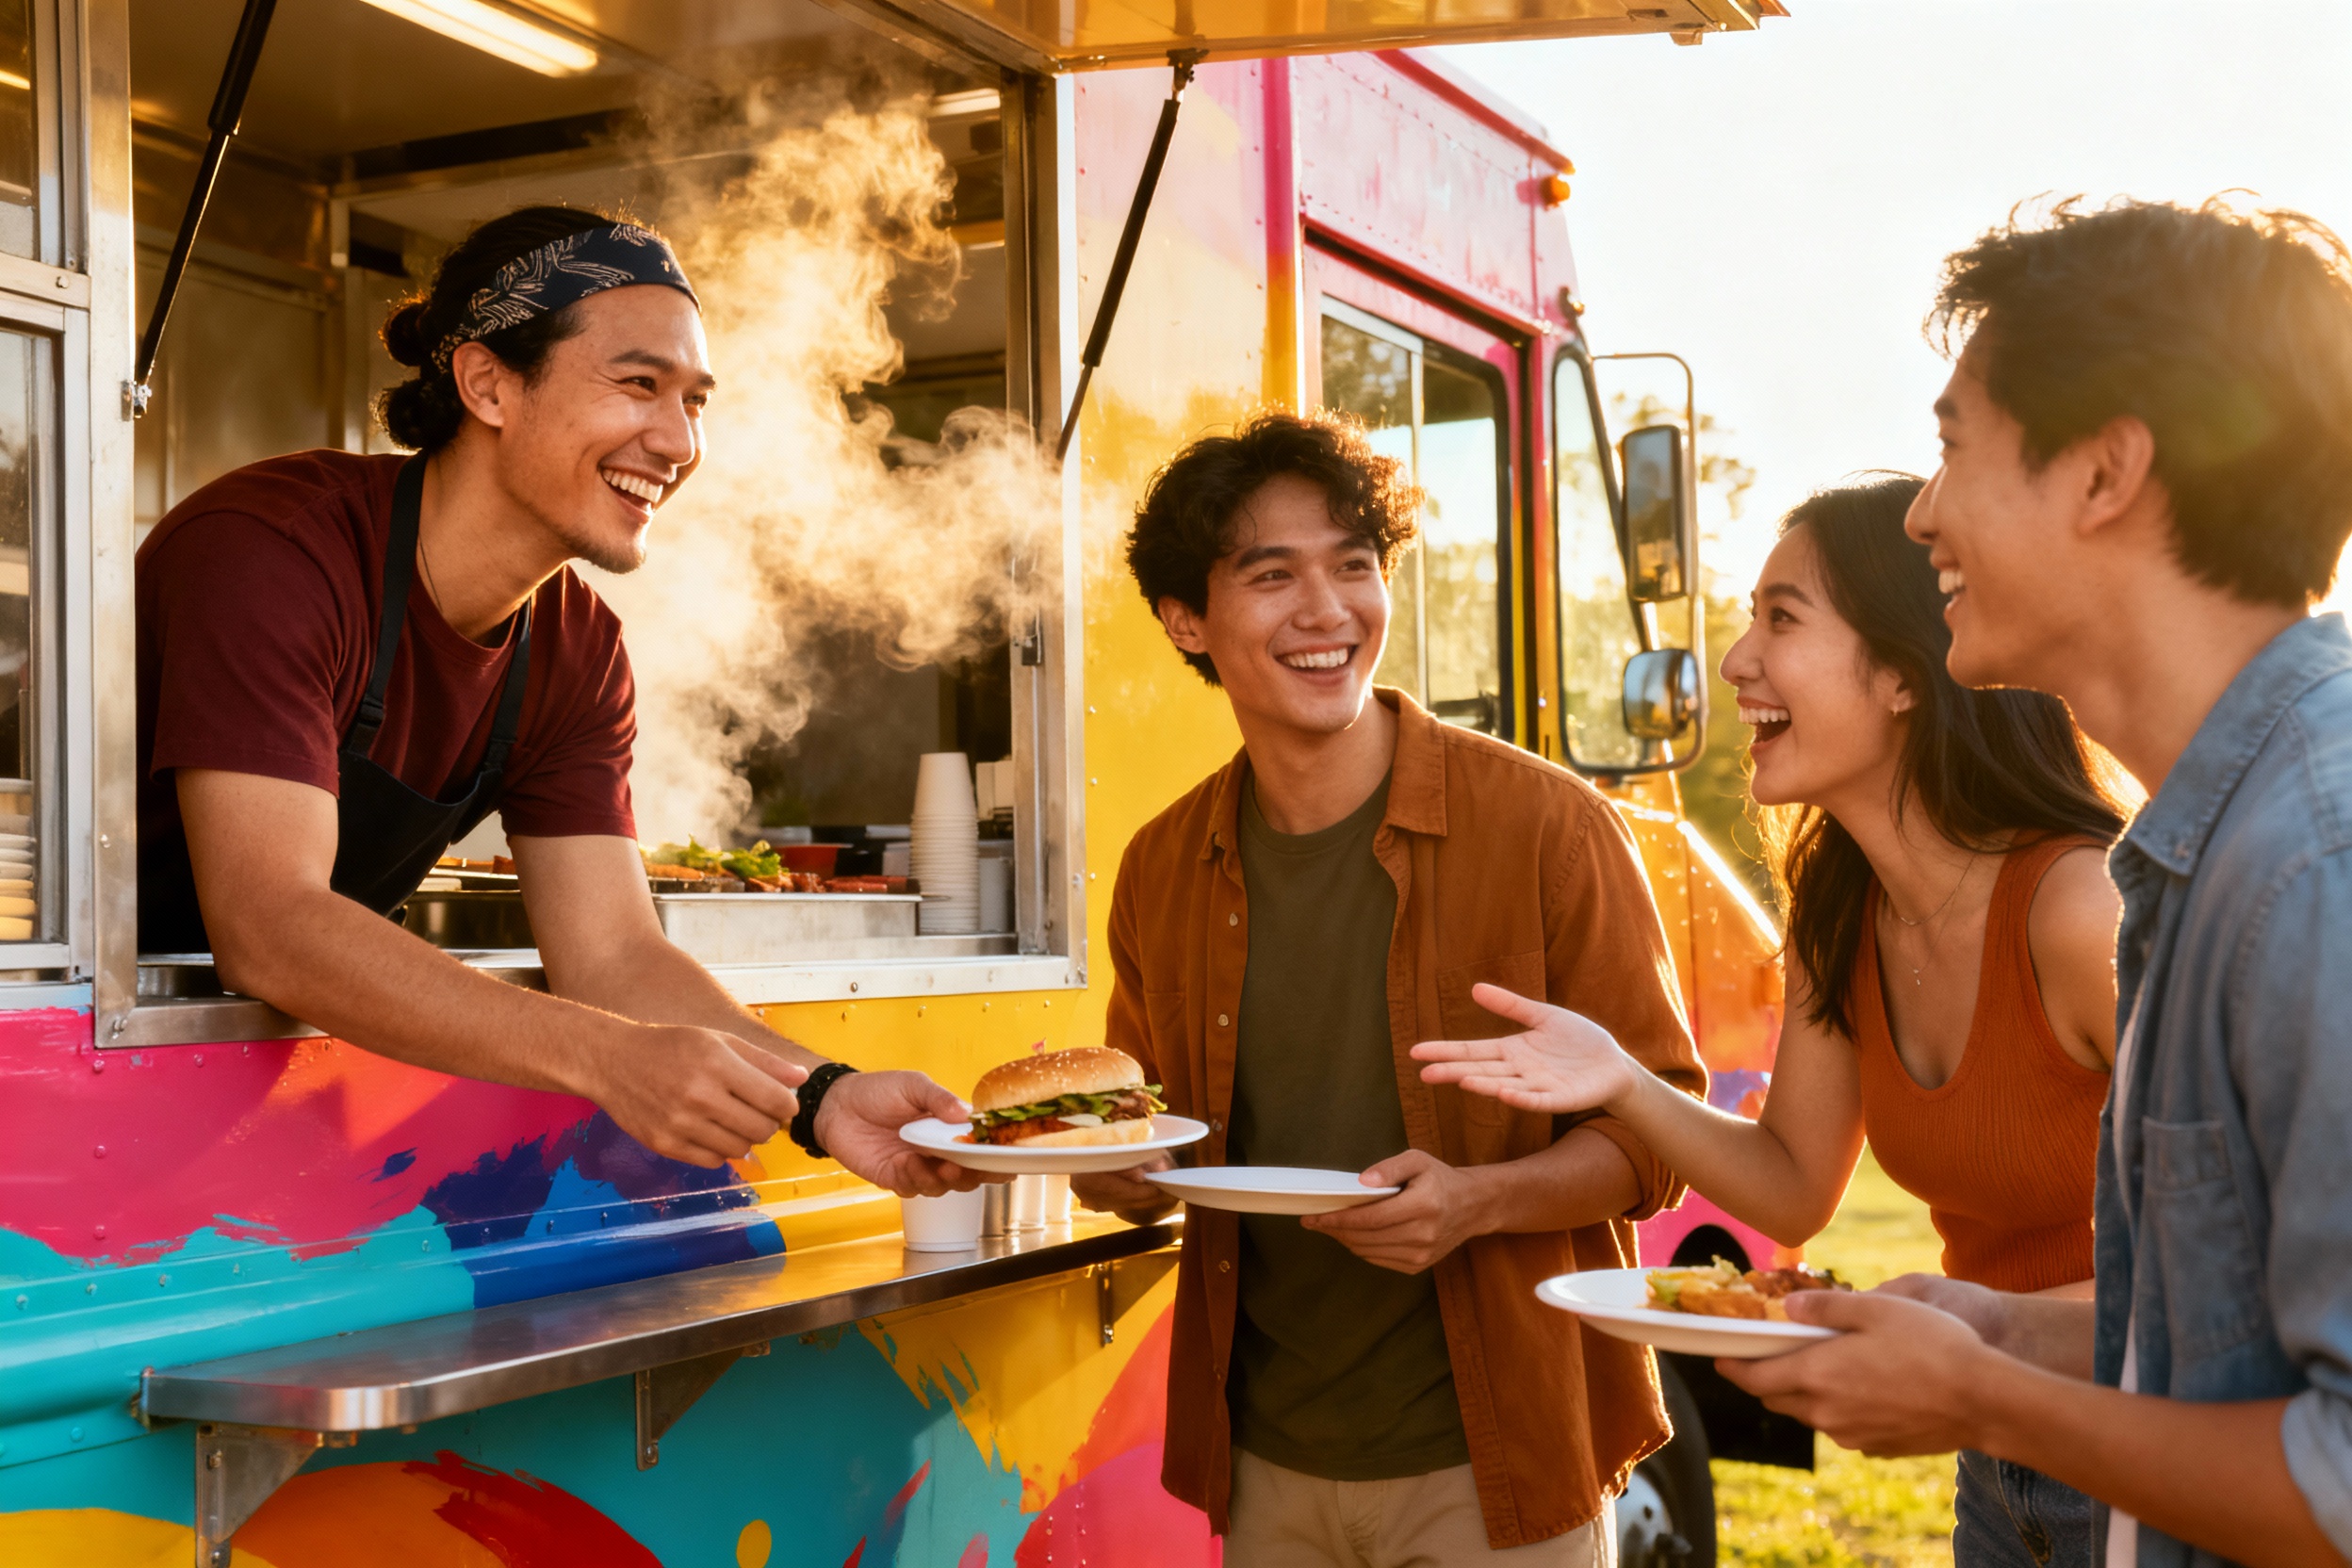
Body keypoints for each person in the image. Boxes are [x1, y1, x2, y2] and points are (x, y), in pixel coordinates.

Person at [1707, 199, 2352, 1568]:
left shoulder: (2314, 871)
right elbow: (2207, 1335)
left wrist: (1983, 1393)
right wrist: (1988, 1325)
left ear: (2106, 472)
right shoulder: (2204, 857)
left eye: (1952, 448)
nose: (1924, 513)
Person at [136, 204, 972, 1197]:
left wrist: (821, 1096)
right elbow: (271, 922)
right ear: (488, 383)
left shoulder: (578, 650)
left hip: (241, 1124)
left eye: (697, 400)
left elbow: (615, 954)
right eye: (639, 385)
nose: (679, 440)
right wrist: (607, 1057)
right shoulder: (275, 552)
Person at [1413, 473, 2128, 1567]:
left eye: (1780, 617)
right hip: (2003, 1459)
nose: (1737, 660)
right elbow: (1796, 1177)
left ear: (1901, 672)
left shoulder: (2080, 912)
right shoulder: (1841, 915)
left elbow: (2241, 1260)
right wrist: (1620, 1080)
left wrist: (1980, 1327)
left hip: (2157, 1455)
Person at [1070, 410, 1706, 1566]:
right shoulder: (1162, 866)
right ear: (1187, 620)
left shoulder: (1549, 827)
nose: (1328, 611)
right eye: (1273, 575)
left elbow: (1661, 1142)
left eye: (1355, 565)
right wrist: (1112, 1174)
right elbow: (1145, 1145)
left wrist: (1477, 1200)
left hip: (1501, 1460)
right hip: (1264, 1461)